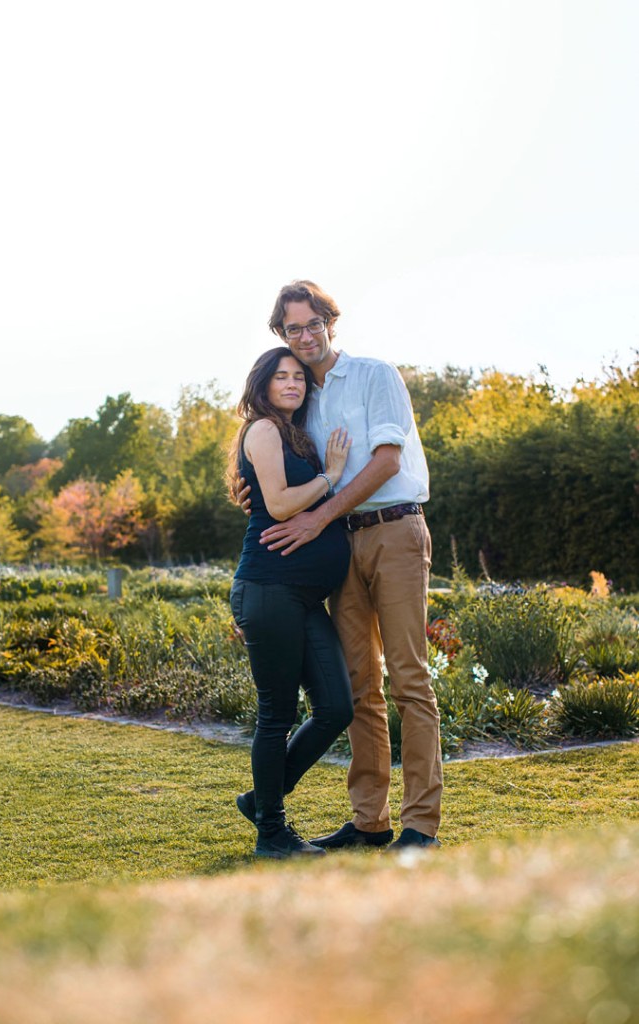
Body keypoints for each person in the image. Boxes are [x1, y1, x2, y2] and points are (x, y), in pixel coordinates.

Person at [253, 280, 443, 852]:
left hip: (394, 531)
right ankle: (369, 822)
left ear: (330, 323)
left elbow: (386, 462)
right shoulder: (298, 398)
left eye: (313, 324)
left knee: (409, 679)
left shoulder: (374, 376)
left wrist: (317, 517)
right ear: (281, 333)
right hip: (340, 545)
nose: (305, 336)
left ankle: (421, 826)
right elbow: (286, 472)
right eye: (293, 328)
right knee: (361, 686)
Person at [227, 346, 354, 860]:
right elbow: (279, 505)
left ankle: (261, 800)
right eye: (281, 376)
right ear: (262, 384)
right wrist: (331, 475)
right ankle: (272, 833)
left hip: (300, 598)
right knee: (276, 715)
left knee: (336, 707)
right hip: (270, 589)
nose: (293, 384)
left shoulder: (293, 434)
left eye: (299, 377)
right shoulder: (263, 429)